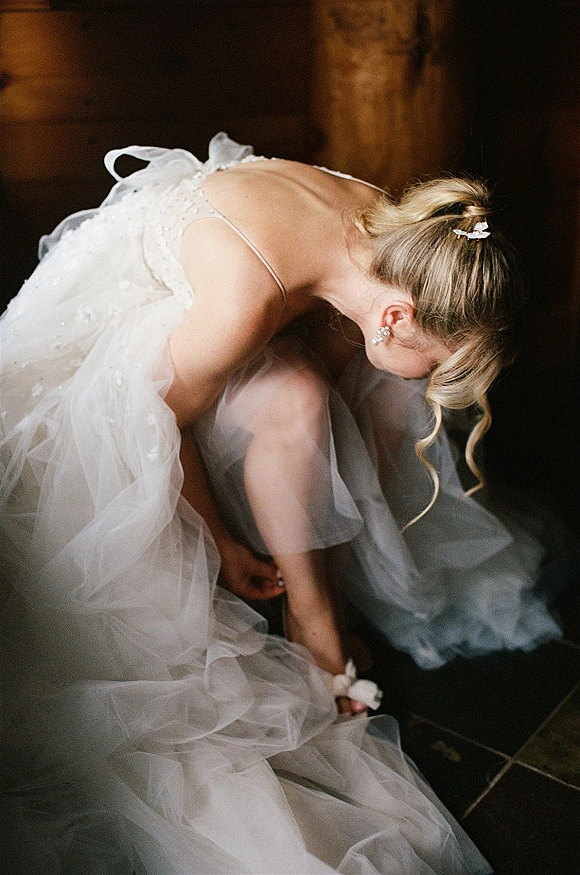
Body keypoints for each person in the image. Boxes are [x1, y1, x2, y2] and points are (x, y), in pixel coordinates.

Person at [0, 133, 560, 874]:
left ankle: (323, 585)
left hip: (249, 287)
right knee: (295, 397)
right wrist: (223, 547)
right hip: (138, 329)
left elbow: (351, 349)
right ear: (395, 319)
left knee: (391, 399)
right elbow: (155, 417)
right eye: (444, 361)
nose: (442, 380)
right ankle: (311, 616)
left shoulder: (402, 240)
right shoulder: (245, 296)